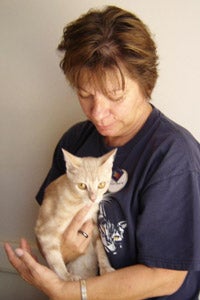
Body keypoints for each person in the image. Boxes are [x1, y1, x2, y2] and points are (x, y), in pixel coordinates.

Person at [4, 5, 200, 300]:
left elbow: (166, 276)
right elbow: (48, 224)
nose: (97, 113)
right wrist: (64, 252)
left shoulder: (173, 157)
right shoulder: (75, 142)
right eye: (84, 95)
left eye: (114, 96)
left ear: (146, 84)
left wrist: (69, 291)